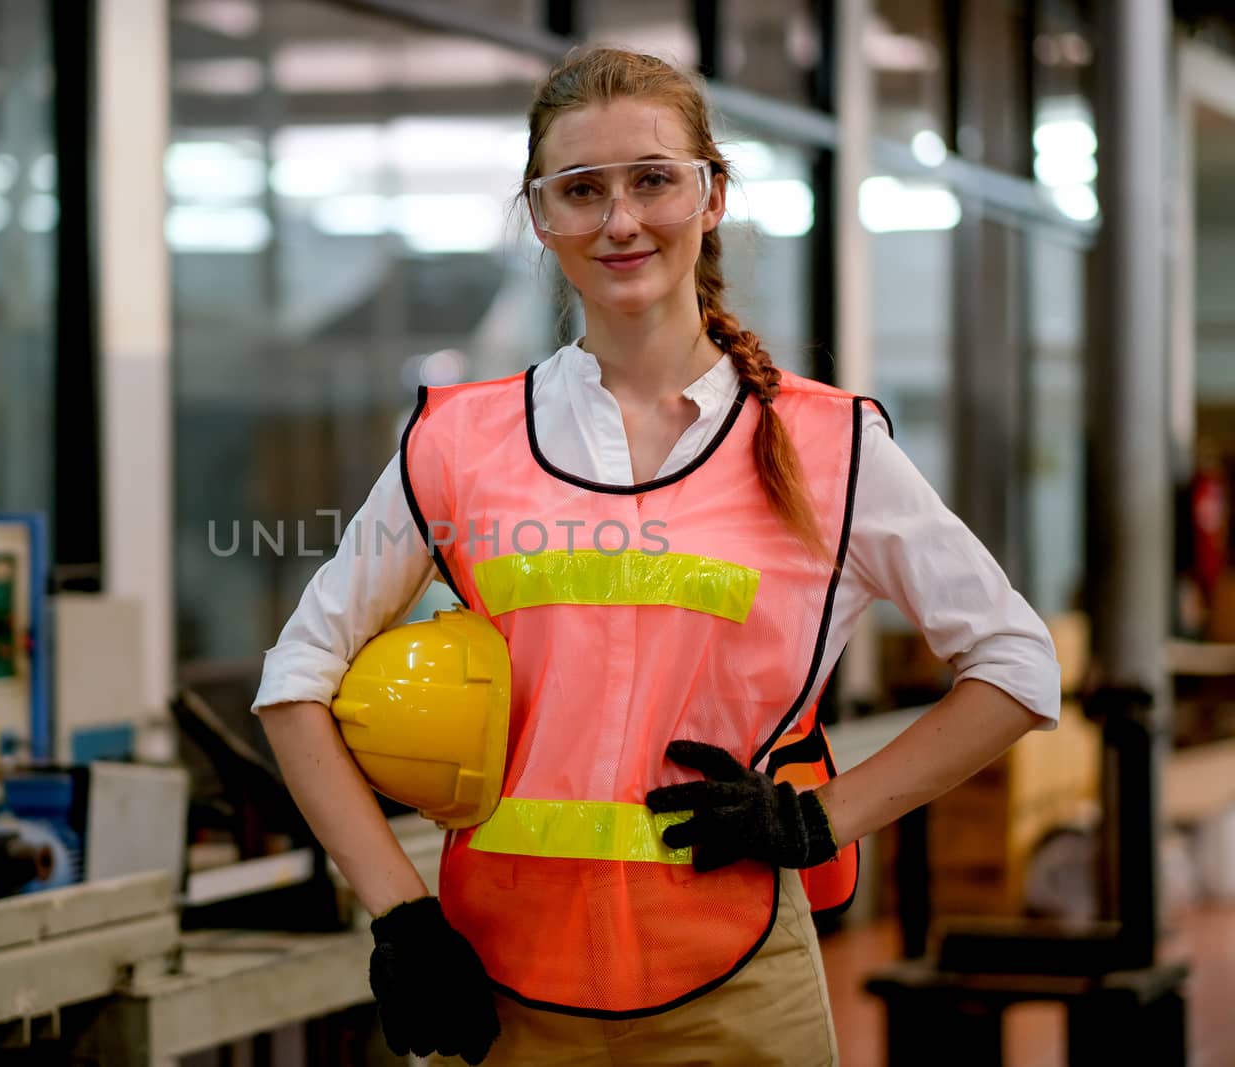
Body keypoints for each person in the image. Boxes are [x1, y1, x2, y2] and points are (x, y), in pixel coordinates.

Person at [253, 47, 1058, 1067]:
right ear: (540, 217)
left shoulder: (828, 445)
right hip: (498, 990)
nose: (620, 220)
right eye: (580, 191)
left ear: (711, 194)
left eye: (653, 180)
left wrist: (820, 819)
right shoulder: (458, 442)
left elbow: (1016, 665)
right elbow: (296, 681)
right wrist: (400, 915)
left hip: (741, 989)